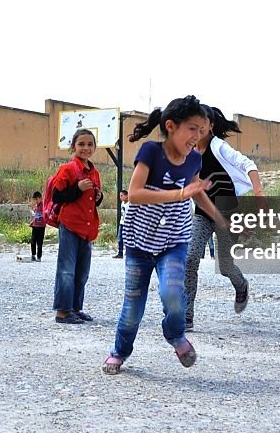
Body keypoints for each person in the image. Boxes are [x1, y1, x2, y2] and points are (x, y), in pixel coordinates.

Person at [103, 96, 225, 375]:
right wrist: (180, 194)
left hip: (174, 240)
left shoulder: (194, 158)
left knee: (172, 293)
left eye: (202, 130)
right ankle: (119, 351)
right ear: (171, 126)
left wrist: (220, 218)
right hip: (139, 241)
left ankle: (175, 335)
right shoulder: (150, 152)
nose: (197, 136)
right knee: (133, 306)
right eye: (192, 128)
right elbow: (134, 193)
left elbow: (197, 190)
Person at [184, 105, 264, 332]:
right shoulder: (189, 152)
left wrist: (259, 194)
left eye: (203, 123)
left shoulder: (218, 147)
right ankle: (186, 316)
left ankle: (241, 285)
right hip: (202, 213)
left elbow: (248, 165)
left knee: (226, 266)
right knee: (190, 259)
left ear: (212, 126)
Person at [52, 129, 103, 325]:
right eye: (81, 144)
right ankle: (63, 312)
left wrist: (99, 197)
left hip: (88, 227)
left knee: (82, 271)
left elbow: (92, 200)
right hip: (71, 225)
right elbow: (58, 197)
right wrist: (77, 189)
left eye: (90, 144)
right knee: (66, 270)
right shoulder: (67, 169)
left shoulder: (95, 171)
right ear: (73, 146)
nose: (86, 148)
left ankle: (75, 308)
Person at [29, 192, 45, 262]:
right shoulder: (36, 206)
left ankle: (39, 256)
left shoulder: (44, 206)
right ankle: (33, 255)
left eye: (36, 199)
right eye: (35, 200)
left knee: (39, 242)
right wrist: (32, 222)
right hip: (35, 226)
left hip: (41, 226)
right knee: (33, 241)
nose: (36, 201)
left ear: (40, 198)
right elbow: (36, 216)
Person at [113, 190, 129, 258]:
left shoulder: (130, 204)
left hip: (127, 223)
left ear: (126, 195)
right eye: (120, 196)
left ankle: (128, 252)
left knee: (128, 238)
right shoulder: (122, 203)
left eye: (122, 195)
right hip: (122, 222)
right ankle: (120, 252)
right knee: (120, 238)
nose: (120, 197)